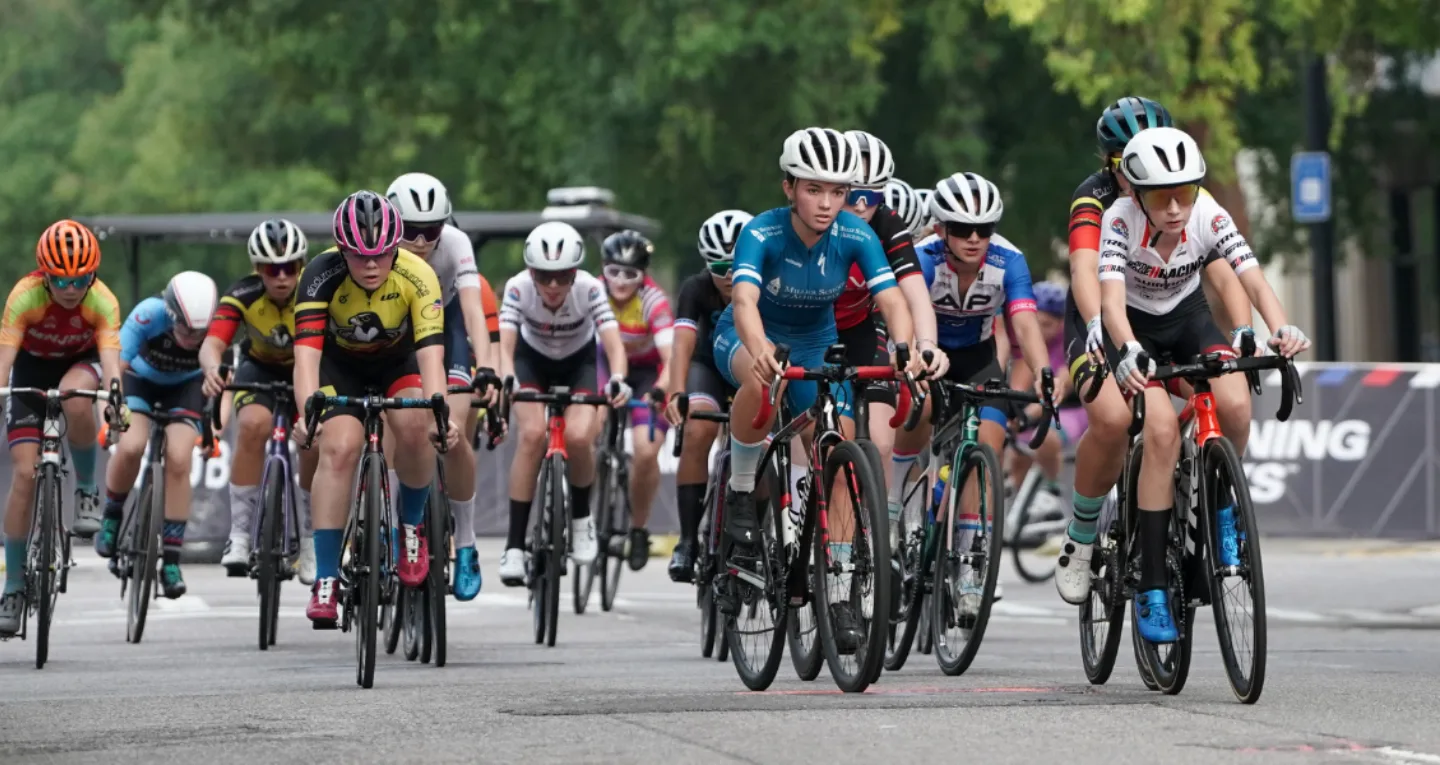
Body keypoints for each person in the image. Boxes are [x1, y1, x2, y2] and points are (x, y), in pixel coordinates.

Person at [1099, 127, 1310, 642]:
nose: (1175, 208)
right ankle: (1152, 585)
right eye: (1160, 197)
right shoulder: (1118, 220)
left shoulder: (1208, 213)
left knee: (1234, 403)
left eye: (1184, 193)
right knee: (1162, 432)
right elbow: (1109, 302)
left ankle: (1221, 510)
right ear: (1136, 194)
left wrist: (1280, 328)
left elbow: (1252, 277)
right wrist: (1128, 350)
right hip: (1133, 328)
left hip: (1187, 318)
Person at [713, 127, 918, 648]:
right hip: (751, 333)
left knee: (841, 454)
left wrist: (903, 347)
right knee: (762, 381)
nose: (827, 203)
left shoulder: (855, 234)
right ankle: (741, 490)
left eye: (838, 192)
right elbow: (743, 302)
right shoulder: (762, 232)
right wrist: (759, 347)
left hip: (816, 341)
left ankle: (841, 590)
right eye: (814, 189)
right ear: (789, 188)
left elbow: (892, 299)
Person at [291, 190, 459, 627]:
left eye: (381, 255)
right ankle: (326, 578)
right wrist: (306, 416)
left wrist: (441, 415)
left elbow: (431, 358)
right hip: (338, 366)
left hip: (397, 363)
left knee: (417, 423)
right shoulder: (319, 274)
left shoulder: (419, 275)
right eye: (359, 256)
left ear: (395, 248)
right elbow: (306, 359)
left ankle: (410, 528)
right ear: (341, 250)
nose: (370, 265)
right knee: (339, 448)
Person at [891, 172, 1055, 606]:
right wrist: (913, 358)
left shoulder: (1009, 260)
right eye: (963, 229)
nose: (975, 239)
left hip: (977, 357)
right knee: (920, 410)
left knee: (988, 444)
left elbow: (1024, 321)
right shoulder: (923, 257)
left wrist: (1042, 371)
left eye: (984, 229)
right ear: (940, 228)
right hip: (926, 351)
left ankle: (969, 563)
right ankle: (894, 509)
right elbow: (904, 313)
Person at [1053, 96, 1178, 606]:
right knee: (1111, 419)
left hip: (1160, 320)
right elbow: (1083, 269)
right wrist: (1095, 327)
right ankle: (1082, 536)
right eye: (1123, 160)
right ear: (1108, 162)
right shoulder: (1094, 196)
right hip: (1101, 319)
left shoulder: (1181, 191)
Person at [0, 221, 124, 633]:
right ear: (44, 275)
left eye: (81, 280)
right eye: (61, 280)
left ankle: (87, 490)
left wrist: (116, 401)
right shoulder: (24, 296)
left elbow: (111, 364)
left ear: (93, 276)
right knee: (23, 475)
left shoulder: (102, 301)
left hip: (81, 364)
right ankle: (13, 587)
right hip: (31, 368)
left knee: (75, 396)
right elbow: (5, 361)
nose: (71, 289)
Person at [496, 222, 631, 586]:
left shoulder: (590, 288)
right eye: (544, 276)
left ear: (575, 273)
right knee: (532, 436)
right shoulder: (518, 288)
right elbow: (505, 347)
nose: (553, 286)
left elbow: (613, 345)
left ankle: (582, 520)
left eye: (562, 276)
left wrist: (618, 378)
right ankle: (514, 547)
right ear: (531, 272)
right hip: (531, 362)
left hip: (578, 364)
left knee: (579, 437)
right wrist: (507, 377)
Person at [385, 172, 496, 601]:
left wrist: (486, 367)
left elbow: (472, 310)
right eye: (411, 230)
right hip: (396, 332)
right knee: (397, 426)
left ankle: (465, 542)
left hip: (444, 327)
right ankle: (395, 526)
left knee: (453, 432)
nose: (420, 241)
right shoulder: (378, 249)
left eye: (431, 230)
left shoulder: (455, 243)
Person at [836, 130, 947, 544]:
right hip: (810, 328)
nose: (861, 206)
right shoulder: (819, 220)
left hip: (862, 329)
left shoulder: (886, 222)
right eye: (853, 194)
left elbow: (914, 293)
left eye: (873, 195)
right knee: (832, 437)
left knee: (882, 443)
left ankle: (874, 547)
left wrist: (926, 347)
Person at [201, 219, 320, 584]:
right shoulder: (243, 293)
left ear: (301, 266)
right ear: (257, 269)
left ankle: (311, 539)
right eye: (271, 269)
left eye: (290, 267)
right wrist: (211, 368)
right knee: (253, 425)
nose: (281, 277)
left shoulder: (316, 291)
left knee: (314, 440)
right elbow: (212, 343)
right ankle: (238, 536)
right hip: (260, 368)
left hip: (307, 368)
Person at [96, 271, 219, 601]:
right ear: (170, 313)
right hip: (139, 380)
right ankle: (112, 517)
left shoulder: (218, 325)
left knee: (179, 458)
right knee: (131, 445)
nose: (192, 339)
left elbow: (222, 384)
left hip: (187, 386)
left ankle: (172, 562)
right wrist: (110, 413)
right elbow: (114, 369)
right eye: (185, 329)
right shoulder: (148, 314)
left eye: (200, 332)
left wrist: (215, 431)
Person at [663, 209, 749, 581]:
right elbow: (682, 344)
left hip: (751, 368)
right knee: (698, 429)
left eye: (737, 265)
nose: (729, 275)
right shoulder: (695, 289)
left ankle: (755, 533)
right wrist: (676, 392)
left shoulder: (769, 283)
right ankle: (687, 540)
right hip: (708, 367)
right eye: (719, 266)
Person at [598, 230, 673, 571]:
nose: (620, 281)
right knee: (587, 424)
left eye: (630, 274)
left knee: (645, 451)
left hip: (646, 373)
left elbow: (671, 358)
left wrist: (659, 390)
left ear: (643, 276)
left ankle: (638, 528)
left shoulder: (653, 301)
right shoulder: (593, 291)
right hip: (603, 364)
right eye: (613, 271)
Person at [1004, 281, 1083, 501]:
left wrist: (1025, 416)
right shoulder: (1029, 340)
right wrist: (1012, 414)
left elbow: (1059, 387)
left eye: (1047, 324)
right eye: (1036, 323)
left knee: (1047, 437)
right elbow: (1018, 386)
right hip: (1037, 407)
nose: (1040, 330)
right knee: (1016, 449)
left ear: (1061, 323)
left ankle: (1052, 491)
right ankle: (1016, 504)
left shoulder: (1070, 341)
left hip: (1071, 410)